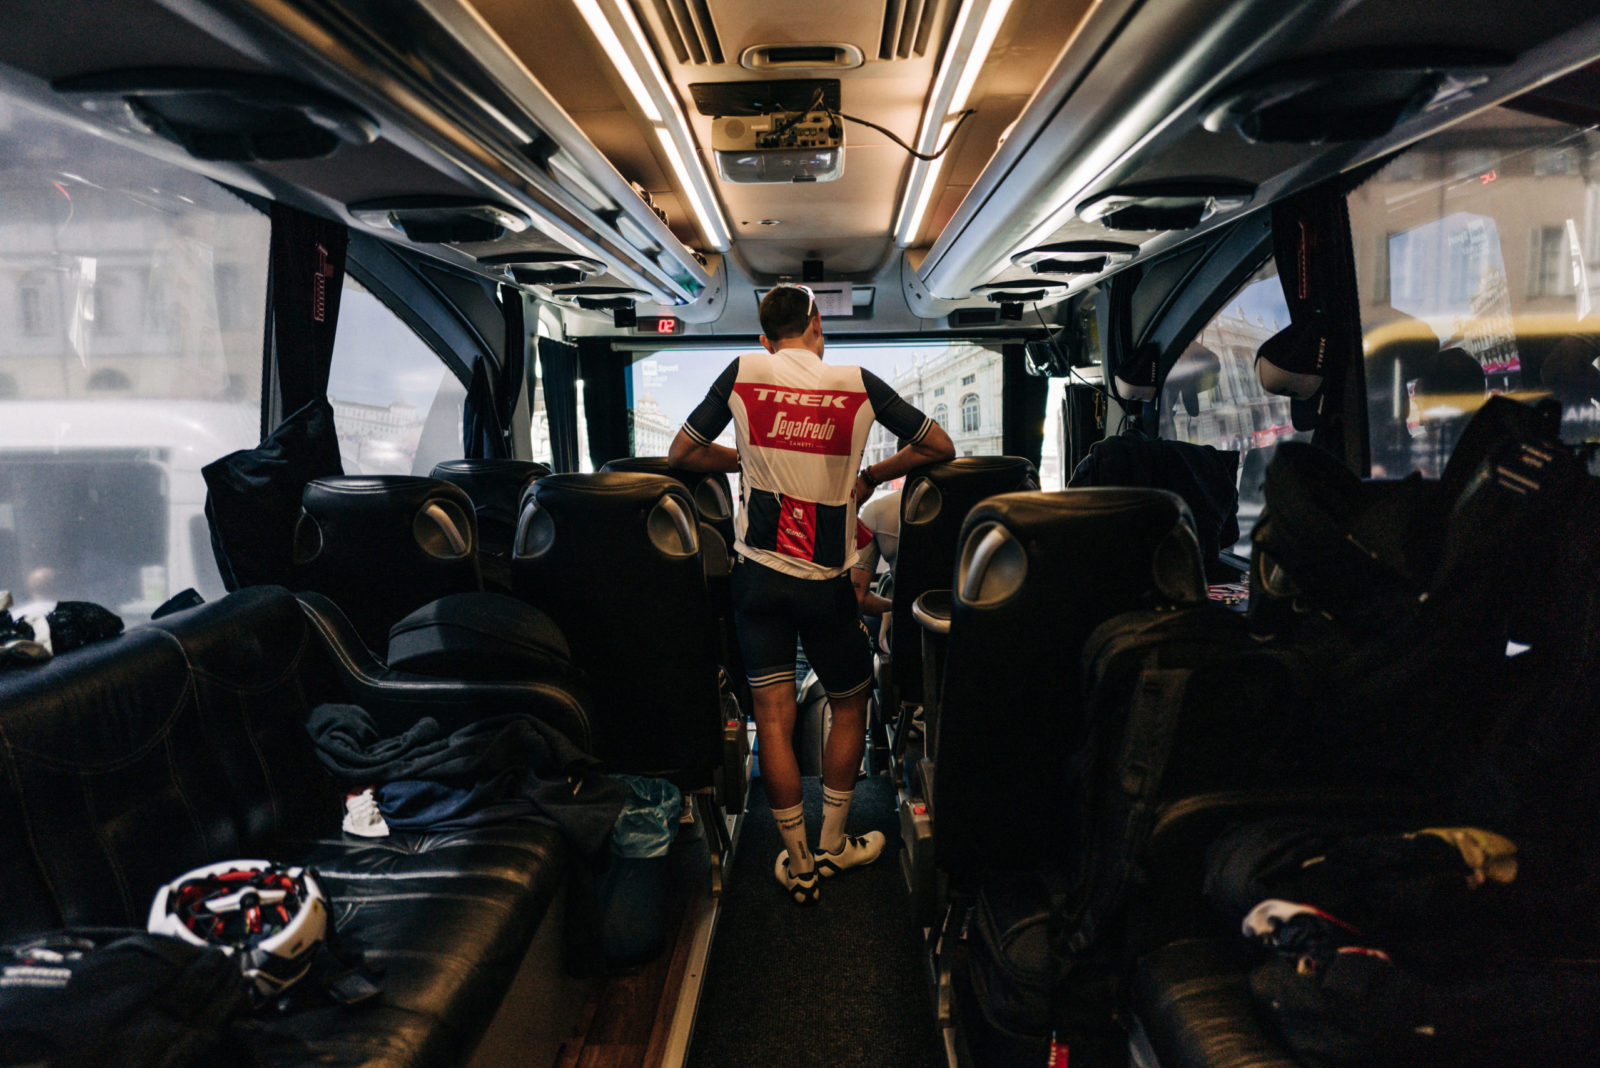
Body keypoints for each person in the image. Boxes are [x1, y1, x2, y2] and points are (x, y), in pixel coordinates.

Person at [668, 284, 954, 904]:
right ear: (817, 324)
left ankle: (798, 863)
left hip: (756, 578)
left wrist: (746, 459)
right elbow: (939, 447)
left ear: (765, 338)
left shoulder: (743, 370)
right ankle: (832, 845)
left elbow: (683, 452)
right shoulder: (857, 382)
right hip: (824, 583)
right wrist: (871, 474)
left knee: (771, 718)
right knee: (851, 703)